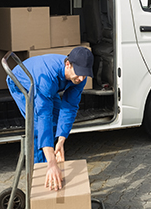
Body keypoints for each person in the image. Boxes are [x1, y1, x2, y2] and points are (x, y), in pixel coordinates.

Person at [7, 46, 94, 191]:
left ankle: (49, 159)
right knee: (36, 126)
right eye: (79, 74)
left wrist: (61, 140)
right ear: (68, 64)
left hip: (46, 87)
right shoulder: (47, 75)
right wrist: (52, 162)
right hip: (22, 83)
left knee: (57, 118)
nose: (81, 79)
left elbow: (70, 107)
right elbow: (43, 116)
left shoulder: (80, 77)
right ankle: (42, 175)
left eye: (85, 75)